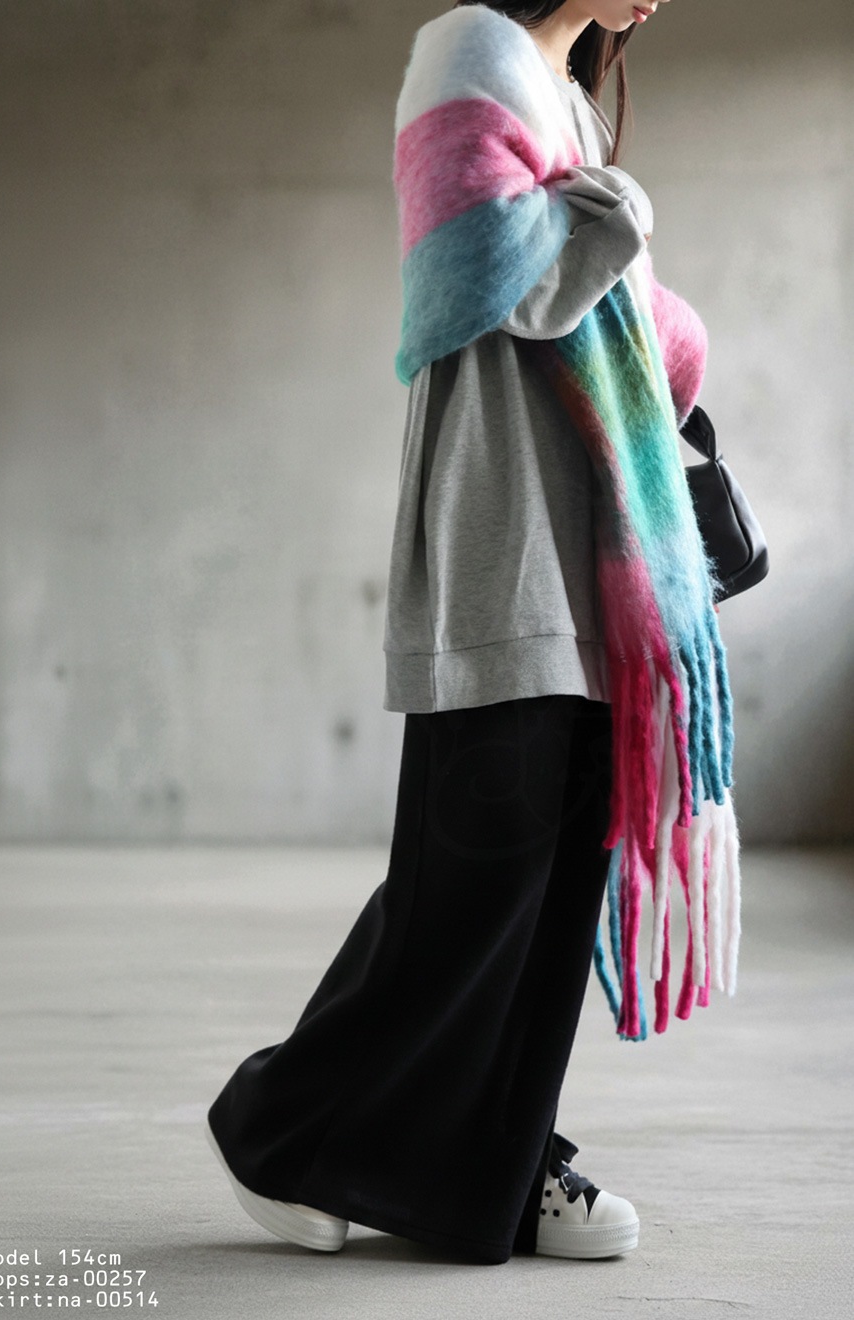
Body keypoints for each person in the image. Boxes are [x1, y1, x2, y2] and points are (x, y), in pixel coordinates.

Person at [207, 0, 729, 1268]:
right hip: (507, 536)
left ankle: (498, 1163)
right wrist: (619, 217)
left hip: (597, 552)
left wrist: (661, 315)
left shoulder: (575, 101)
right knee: (473, 882)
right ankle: (277, 1132)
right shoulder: (471, 48)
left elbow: (602, 299)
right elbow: (486, 277)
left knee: (551, 890)